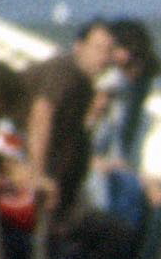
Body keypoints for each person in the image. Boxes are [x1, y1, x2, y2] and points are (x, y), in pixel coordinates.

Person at [19, 18, 122, 228]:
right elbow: (41, 115)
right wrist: (37, 176)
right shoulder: (65, 71)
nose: (103, 57)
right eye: (98, 48)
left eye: (108, 51)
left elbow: (71, 141)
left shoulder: (86, 87)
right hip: (15, 145)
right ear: (79, 47)